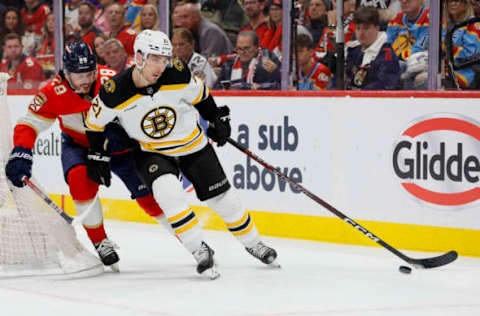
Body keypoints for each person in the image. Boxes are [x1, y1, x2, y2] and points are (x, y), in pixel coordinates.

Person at [84, 30, 279, 278]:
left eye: (164, 58)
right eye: (155, 59)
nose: (161, 65)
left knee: (224, 200)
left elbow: (202, 96)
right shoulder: (115, 91)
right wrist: (96, 153)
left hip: (193, 146)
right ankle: (198, 249)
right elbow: (93, 123)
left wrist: (216, 118)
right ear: (139, 56)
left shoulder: (176, 72)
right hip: (152, 152)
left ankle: (254, 243)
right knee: (169, 194)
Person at [4, 41, 169, 272]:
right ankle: (101, 242)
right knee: (79, 181)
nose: (85, 80)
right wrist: (22, 150)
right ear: (65, 71)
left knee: (150, 198)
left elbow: (145, 110)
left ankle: (189, 238)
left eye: (89, 73)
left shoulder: (113, 80)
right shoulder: (53, 92)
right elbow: (28, 124)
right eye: (77, 74)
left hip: (120, 148)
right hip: (79, 146)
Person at [345, 6, 400, 89]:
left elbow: (386, 85)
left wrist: (358, 95)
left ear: (377, 28)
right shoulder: (353, 50)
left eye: (366, 28)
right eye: (358, 28)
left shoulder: (386, 53)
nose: (361, 33)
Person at [214, 30, 281, 90]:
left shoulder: (268, 59)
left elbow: (279, 85)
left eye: (246, 48)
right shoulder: (230, 63)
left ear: (256, 47)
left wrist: (275, 72)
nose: (242, 52)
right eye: (239, 48)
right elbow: (217, 88)